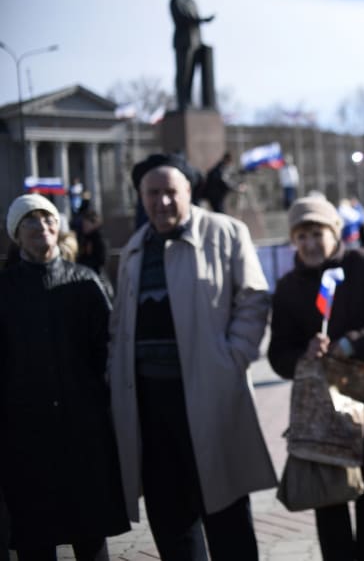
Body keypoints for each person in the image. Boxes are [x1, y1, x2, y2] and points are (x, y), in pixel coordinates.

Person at [108, 153, 275, 560]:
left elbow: (253, 298)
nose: (162, 202)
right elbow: (120, 325)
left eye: (171, 192)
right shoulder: (134, 248)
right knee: (170, 518)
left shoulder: (225, 232)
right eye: (152, 193)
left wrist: (233, 357)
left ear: (189, 192)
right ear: (141, 198)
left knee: (226, 511)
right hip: (149, 406)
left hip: (209, 395)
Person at [269, 197, 364, 560]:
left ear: (334, 232)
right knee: (328, 504)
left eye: (318, 233)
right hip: (321, 414)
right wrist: (304, 354)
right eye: (302, 236)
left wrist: (350, 343)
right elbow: (277, 355)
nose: (311, 243)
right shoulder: (286, 288)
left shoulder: (362, 263)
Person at [1, 194, 129, 559]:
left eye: (47, 219)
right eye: (30, 221)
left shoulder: (86, 283)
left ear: (59, 226)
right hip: (26, 438)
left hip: (83, 435)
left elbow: (110, 354)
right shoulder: (5, 290)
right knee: (35, 541)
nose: (41, 227)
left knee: (91, 539)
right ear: (16, 233)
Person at [170, 0, 215, 110]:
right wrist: (200, 20)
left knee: (192, 74)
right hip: (183, 42)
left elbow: (196, 20)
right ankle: (182, 102)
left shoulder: (192, 2)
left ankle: (191, 101)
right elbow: (181, 18)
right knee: (183, 73)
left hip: (196, 42)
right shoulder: (176, 0)